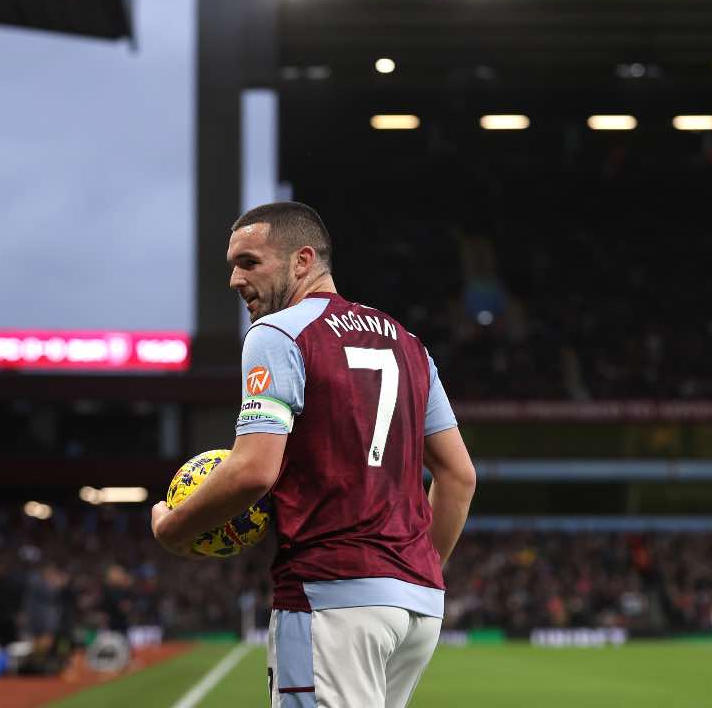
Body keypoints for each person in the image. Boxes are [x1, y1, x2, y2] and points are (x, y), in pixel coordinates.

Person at [152, 201, 476, 707]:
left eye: (250, 262)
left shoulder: (276, 334)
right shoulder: (410, 345)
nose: (236, 279)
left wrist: (174, 528)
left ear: (302, 261)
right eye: (233, 265)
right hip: (416, 606)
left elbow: (254, 470)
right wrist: (411, 569)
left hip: (332, 594)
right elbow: (459, 476)